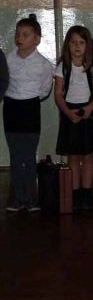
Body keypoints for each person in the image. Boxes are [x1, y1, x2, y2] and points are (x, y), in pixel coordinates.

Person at [3, 15, 53, 212]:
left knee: (29, 155)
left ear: (36, 39)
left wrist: (29, 99)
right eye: (18, 34)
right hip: (11, 108)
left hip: (30, 108)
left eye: (25, 35)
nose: (19, 38)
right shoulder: (8, 59)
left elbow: (45, 89)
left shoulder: (43, 64)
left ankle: (31, 198)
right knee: (15, 155)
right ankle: (16, 198)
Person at [53, 26, 93, 210]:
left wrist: (89, 108)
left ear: (87, 46)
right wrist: (68, 112)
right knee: (73, 157)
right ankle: (74, 194)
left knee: (88, 156)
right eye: (73, 42)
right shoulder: (62, 67)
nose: (77, 46)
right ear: (68, 45)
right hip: (69, 113)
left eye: (81, 42)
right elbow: (58, 94)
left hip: (88, 113)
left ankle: (87, 194)